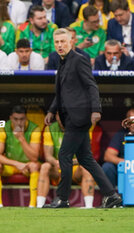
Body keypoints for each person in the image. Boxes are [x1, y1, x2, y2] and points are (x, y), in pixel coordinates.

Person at [44, 28, 121, 208]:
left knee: (64, 154)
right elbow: (62, 93)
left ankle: (62, 198)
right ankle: (111, 195)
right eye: (57, 42)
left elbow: (91, 86)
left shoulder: (80, 60)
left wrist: (96, 109)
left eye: (63, 41)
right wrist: (51, 111)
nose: (60, 45)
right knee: (86, 159)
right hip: (71, 116)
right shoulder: (61, 63)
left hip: (79, 117)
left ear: (72, 41)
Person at [37, 114, 96, 208]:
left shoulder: (82, 128)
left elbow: (86, 156)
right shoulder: (50, 129)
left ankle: (89, 206)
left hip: (75, 168)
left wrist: (67, 162)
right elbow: (48, 156)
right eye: (60, 116)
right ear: (56, 117)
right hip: (58, 167)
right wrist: (56, 162)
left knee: (86, 167)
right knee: (45, 166)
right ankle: (39, 205)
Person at [0, 105, 41, 207]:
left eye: (22, 119)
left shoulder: (34, 129)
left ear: (26, 118)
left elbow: (34, 157)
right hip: (11, 166)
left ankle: (32, 205)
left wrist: (21, 139)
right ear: (11, 118)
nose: (19, 122)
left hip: (27, 166)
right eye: (16, 119)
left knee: (35, 165)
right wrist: (17, 164)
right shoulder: (4, 128)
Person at [102, 108, 134, 187]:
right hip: (124, 168)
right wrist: (127, 163)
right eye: (131, 121)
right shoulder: (121, 134)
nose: (133, 124)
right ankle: (111, 196)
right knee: (107, 167)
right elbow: (108, 156)